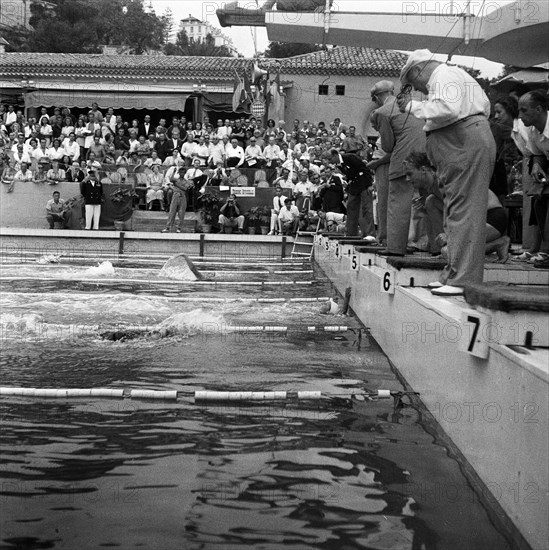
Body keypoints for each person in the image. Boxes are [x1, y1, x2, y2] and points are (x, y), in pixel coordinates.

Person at [397, 49, 496, 296]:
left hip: (462, 141)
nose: (418, 89)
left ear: (418, 70)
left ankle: (463, 279)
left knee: (463, 209)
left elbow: (447, 109)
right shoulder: (449, 76)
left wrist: (413, 105)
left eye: (413, 83)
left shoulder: (444, 74)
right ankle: (454, 274)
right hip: (459, 142)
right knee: (455, 209)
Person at [371, 79, 427, 256]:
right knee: (423, 202)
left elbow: (387, 146)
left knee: (398, 203)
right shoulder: (411, 105)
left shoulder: (382, 112)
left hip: (403, 161)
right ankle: (426, 243)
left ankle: (395, 247)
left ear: (377, 97)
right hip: (427, 159)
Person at [518, 90, 549, 268]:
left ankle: (545, 251)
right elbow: (538, 154)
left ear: (538, 109)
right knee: (538, 201)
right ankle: (541, 249)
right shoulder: (531, 130)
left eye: (524, 110)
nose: (520, 116)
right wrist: (537, 166)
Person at [329, 148, 374, 237]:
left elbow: (364, 168)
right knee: (351, 207)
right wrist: (348, 178)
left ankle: (369, 234)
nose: (330, 161)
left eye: (330, 158)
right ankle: (351, 233)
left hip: (364, 184)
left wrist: (369, 184)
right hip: (354, 186)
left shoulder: (350, 157)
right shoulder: (338, 164)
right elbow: (351, 173)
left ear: (335, 155)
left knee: (366, 209)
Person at [162, 167, 192, 233]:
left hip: (182, 196)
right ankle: (168, 227)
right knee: (172, 211)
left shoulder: (186, 181)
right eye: (180, 172)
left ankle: (179, 228)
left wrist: (176, 185)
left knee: (181, 213)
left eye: (183, 173)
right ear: (179, 173)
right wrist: (173, 172)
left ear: (185, 173)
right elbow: (171, 179)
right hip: (175, 195)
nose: (182, 174)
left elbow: (185, 189)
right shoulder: (176, 179)